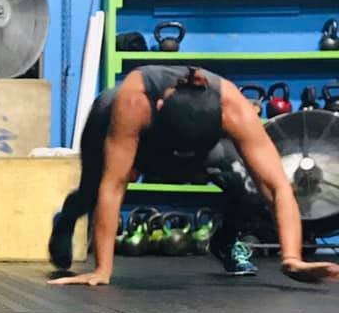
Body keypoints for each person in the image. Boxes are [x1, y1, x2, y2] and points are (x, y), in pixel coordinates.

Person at [48, 65, 339, 287]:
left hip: (198, 146)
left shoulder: (233, 109)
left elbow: (277, 186)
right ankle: (67, 219)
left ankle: (225, 242)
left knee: (250, 190)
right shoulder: (135, 102)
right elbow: (114, 185)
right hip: (128, 129)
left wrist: (292, 258)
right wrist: (103, 270)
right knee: (91, 192)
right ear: (160, 106)